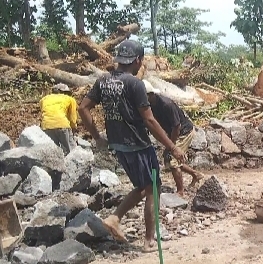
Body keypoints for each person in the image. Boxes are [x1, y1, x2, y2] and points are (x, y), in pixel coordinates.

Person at [78, 40, 186, 253]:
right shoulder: (135, 84)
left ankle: (115, 218)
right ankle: (148, 242)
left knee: (143, 187)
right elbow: (149, 120)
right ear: (137, 60)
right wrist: (172, 147)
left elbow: (83, 108)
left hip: (118, 144)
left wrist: (98, 136)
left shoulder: (103, 81)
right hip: (138, 144)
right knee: (153, 188)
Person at [143, 80, 204, 196]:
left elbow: (177, 126)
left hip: (183, 132)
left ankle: (180, 191)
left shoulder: (167, 105)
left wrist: (172, 146)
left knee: (172, 160)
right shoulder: (150, 105)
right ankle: (195, 174)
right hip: (174, 131)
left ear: (150, 95)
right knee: (169, 160)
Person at [40, 83, 78, 155]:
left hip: (46, 126)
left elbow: (44, 113)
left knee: (53, 153)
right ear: (63, 92)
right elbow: (72, 118)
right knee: (70, 151)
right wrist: (73, 128)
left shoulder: (43, 99)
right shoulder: (70, 99)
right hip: (62, 125)